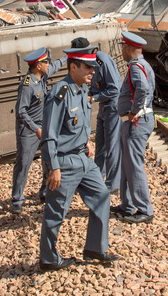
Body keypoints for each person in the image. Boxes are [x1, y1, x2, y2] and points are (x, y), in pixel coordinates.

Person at [39, 44, 119, 270]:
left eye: (94, 67)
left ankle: (95, 247)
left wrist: (86, 142)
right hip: (64, 163)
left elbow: (77, 123)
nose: (92, 72)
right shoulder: (59, 93)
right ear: (73, 67)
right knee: (55, 213)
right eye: (87, 67)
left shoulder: (82, 87)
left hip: (84, 159)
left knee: (102, 196)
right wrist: (53, 168)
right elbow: (49, 136)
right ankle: (48, 258)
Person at [12, 48, 67, 213]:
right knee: (23, 164)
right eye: (45, 62)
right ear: (37, 66)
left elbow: (56, 65)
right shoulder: (27, 85)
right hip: (29, 130)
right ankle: (17, 200)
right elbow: (21, 111)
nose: (48, 64)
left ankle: (45, 192)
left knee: (48, 161)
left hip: (43, 126)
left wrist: (68, 56)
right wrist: (35, 129)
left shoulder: (42, 76)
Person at [111, 31, 156, 224]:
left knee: (134, 165)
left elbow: (143, 89)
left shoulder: (136, 67)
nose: (121, 50)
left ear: (128, 48)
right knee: (127, 164)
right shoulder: (144, 65)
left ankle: (144, 209)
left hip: (136, 122)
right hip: (138, 120)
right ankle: (127, 205)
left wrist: (134, 110)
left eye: (122, 47)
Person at [71, 37, 122, 192]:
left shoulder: (102, 61)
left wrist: (93, 98)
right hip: (102, 106)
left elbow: (115, 89)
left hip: (112, 106)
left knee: (112, 146)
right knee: (100, 144)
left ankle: (113, 184)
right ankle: (98, 180)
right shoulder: (89, 63)